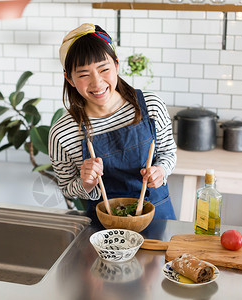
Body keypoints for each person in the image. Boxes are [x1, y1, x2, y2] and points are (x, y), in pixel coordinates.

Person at [49, 23, 177, 223]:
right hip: (104, 227)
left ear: (116, 65)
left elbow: (168, 153)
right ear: (69, 78)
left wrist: (160, 171)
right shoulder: (62, 133)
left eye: (104, 69)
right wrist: (86, 183)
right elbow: (67, 187)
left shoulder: (151, 107)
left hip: (157, 218)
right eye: (83, 74)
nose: (97, 82)